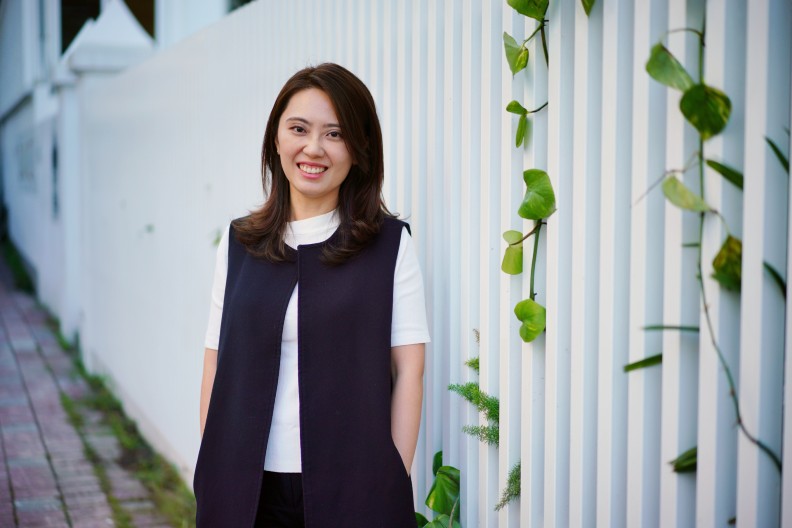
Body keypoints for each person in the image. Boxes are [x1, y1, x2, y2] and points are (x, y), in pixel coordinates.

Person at [193, 63, 430, 528]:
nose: (314, 148)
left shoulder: (389, 246)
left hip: (354, 490)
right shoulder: (240, 243)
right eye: (299, 129)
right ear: (275, 139)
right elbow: (215, 362)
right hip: (246, 488)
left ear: (359, 150)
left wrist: (392, 477)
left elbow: (409, 371)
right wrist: (213, 466)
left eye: (335, 134)